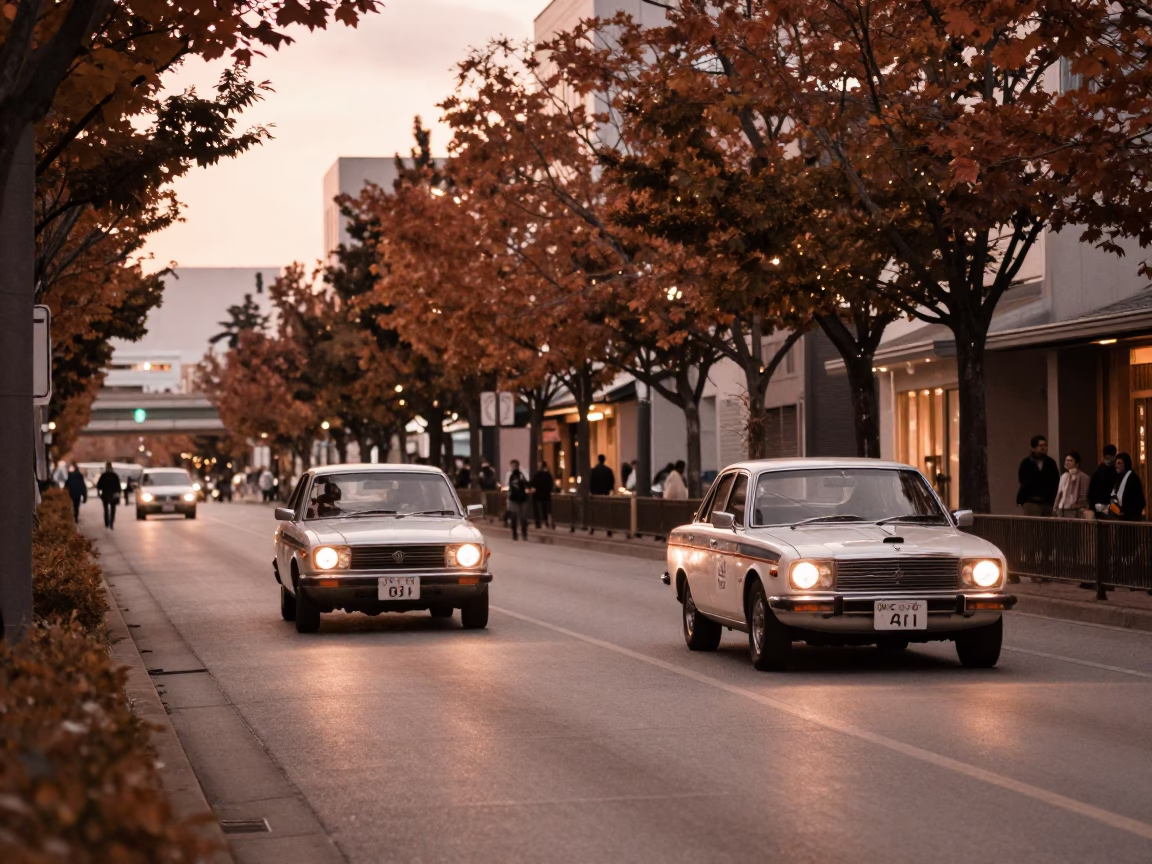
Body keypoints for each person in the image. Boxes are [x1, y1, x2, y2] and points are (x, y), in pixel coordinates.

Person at [1016, 435, 1059, 517]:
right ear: (1033, 448)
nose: (1043, 448)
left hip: (1048, 502)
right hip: (1031, 501)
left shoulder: (1050, 463)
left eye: (1045, 445)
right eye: (1041, 446)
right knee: (1034, 524)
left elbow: (1055, 480)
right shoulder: (1026, 463)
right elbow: (1023, 480)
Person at [1108, 452, 1146, 521]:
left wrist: (1126, 512)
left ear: (1125, 464)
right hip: (1118, 518)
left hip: (1130, 519)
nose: (1116, 466)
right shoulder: (1118, 478)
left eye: (1119, 463)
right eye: (1116, 463)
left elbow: (1139, 501)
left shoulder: (1133, 478)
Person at [1053, 451, 1091, 518]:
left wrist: (1075, 505)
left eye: (1070, 460)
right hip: (1062, 509)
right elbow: (1059, 494)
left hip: (1075, 510)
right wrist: (1056, 507)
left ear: (1076, 463)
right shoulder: (1064, 476)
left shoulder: (1083, 477)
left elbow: (1083, 495)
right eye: (1066, 460)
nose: (1067, 462)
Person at [505, 459, 531, 540]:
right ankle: (515, 534)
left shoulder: (522, 474)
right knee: (514, 517)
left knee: (523, 517)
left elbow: (527, 483)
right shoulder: (509, 474)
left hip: (522, 499)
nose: (513, 467)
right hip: (513, 499)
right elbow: (508, 485)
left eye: (514, 466)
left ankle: (524, 533)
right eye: (512, 466)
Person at [1088, 444, 1118, 515]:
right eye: (1107, 458)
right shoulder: (1098, 471)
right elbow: (1091, 489)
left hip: (1114, 506)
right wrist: (1092, 505)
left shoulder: (1117, 470)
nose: (1109, 460)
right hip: (1099, 506)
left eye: (1111, 458)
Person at [96, 462, 122, 530]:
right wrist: (118, 494)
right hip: (112, 495)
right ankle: (111, 523)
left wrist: (99, 493)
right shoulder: (114, 475)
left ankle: (107, 523)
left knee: (106, 510)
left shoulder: (104, 475)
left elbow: (98, 485)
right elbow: (118, 486)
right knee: (112, 510)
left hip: (105, 494)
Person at [531, 461, 555, 529]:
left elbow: (533, 483)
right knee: (546, 510)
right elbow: (551, 485)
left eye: (539, 466)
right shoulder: (548, 475)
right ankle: (546, 522)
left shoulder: (538, 475)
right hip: (546, 496)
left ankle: (539, 523)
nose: (538, 467)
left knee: (539, 510)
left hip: (538, 496)